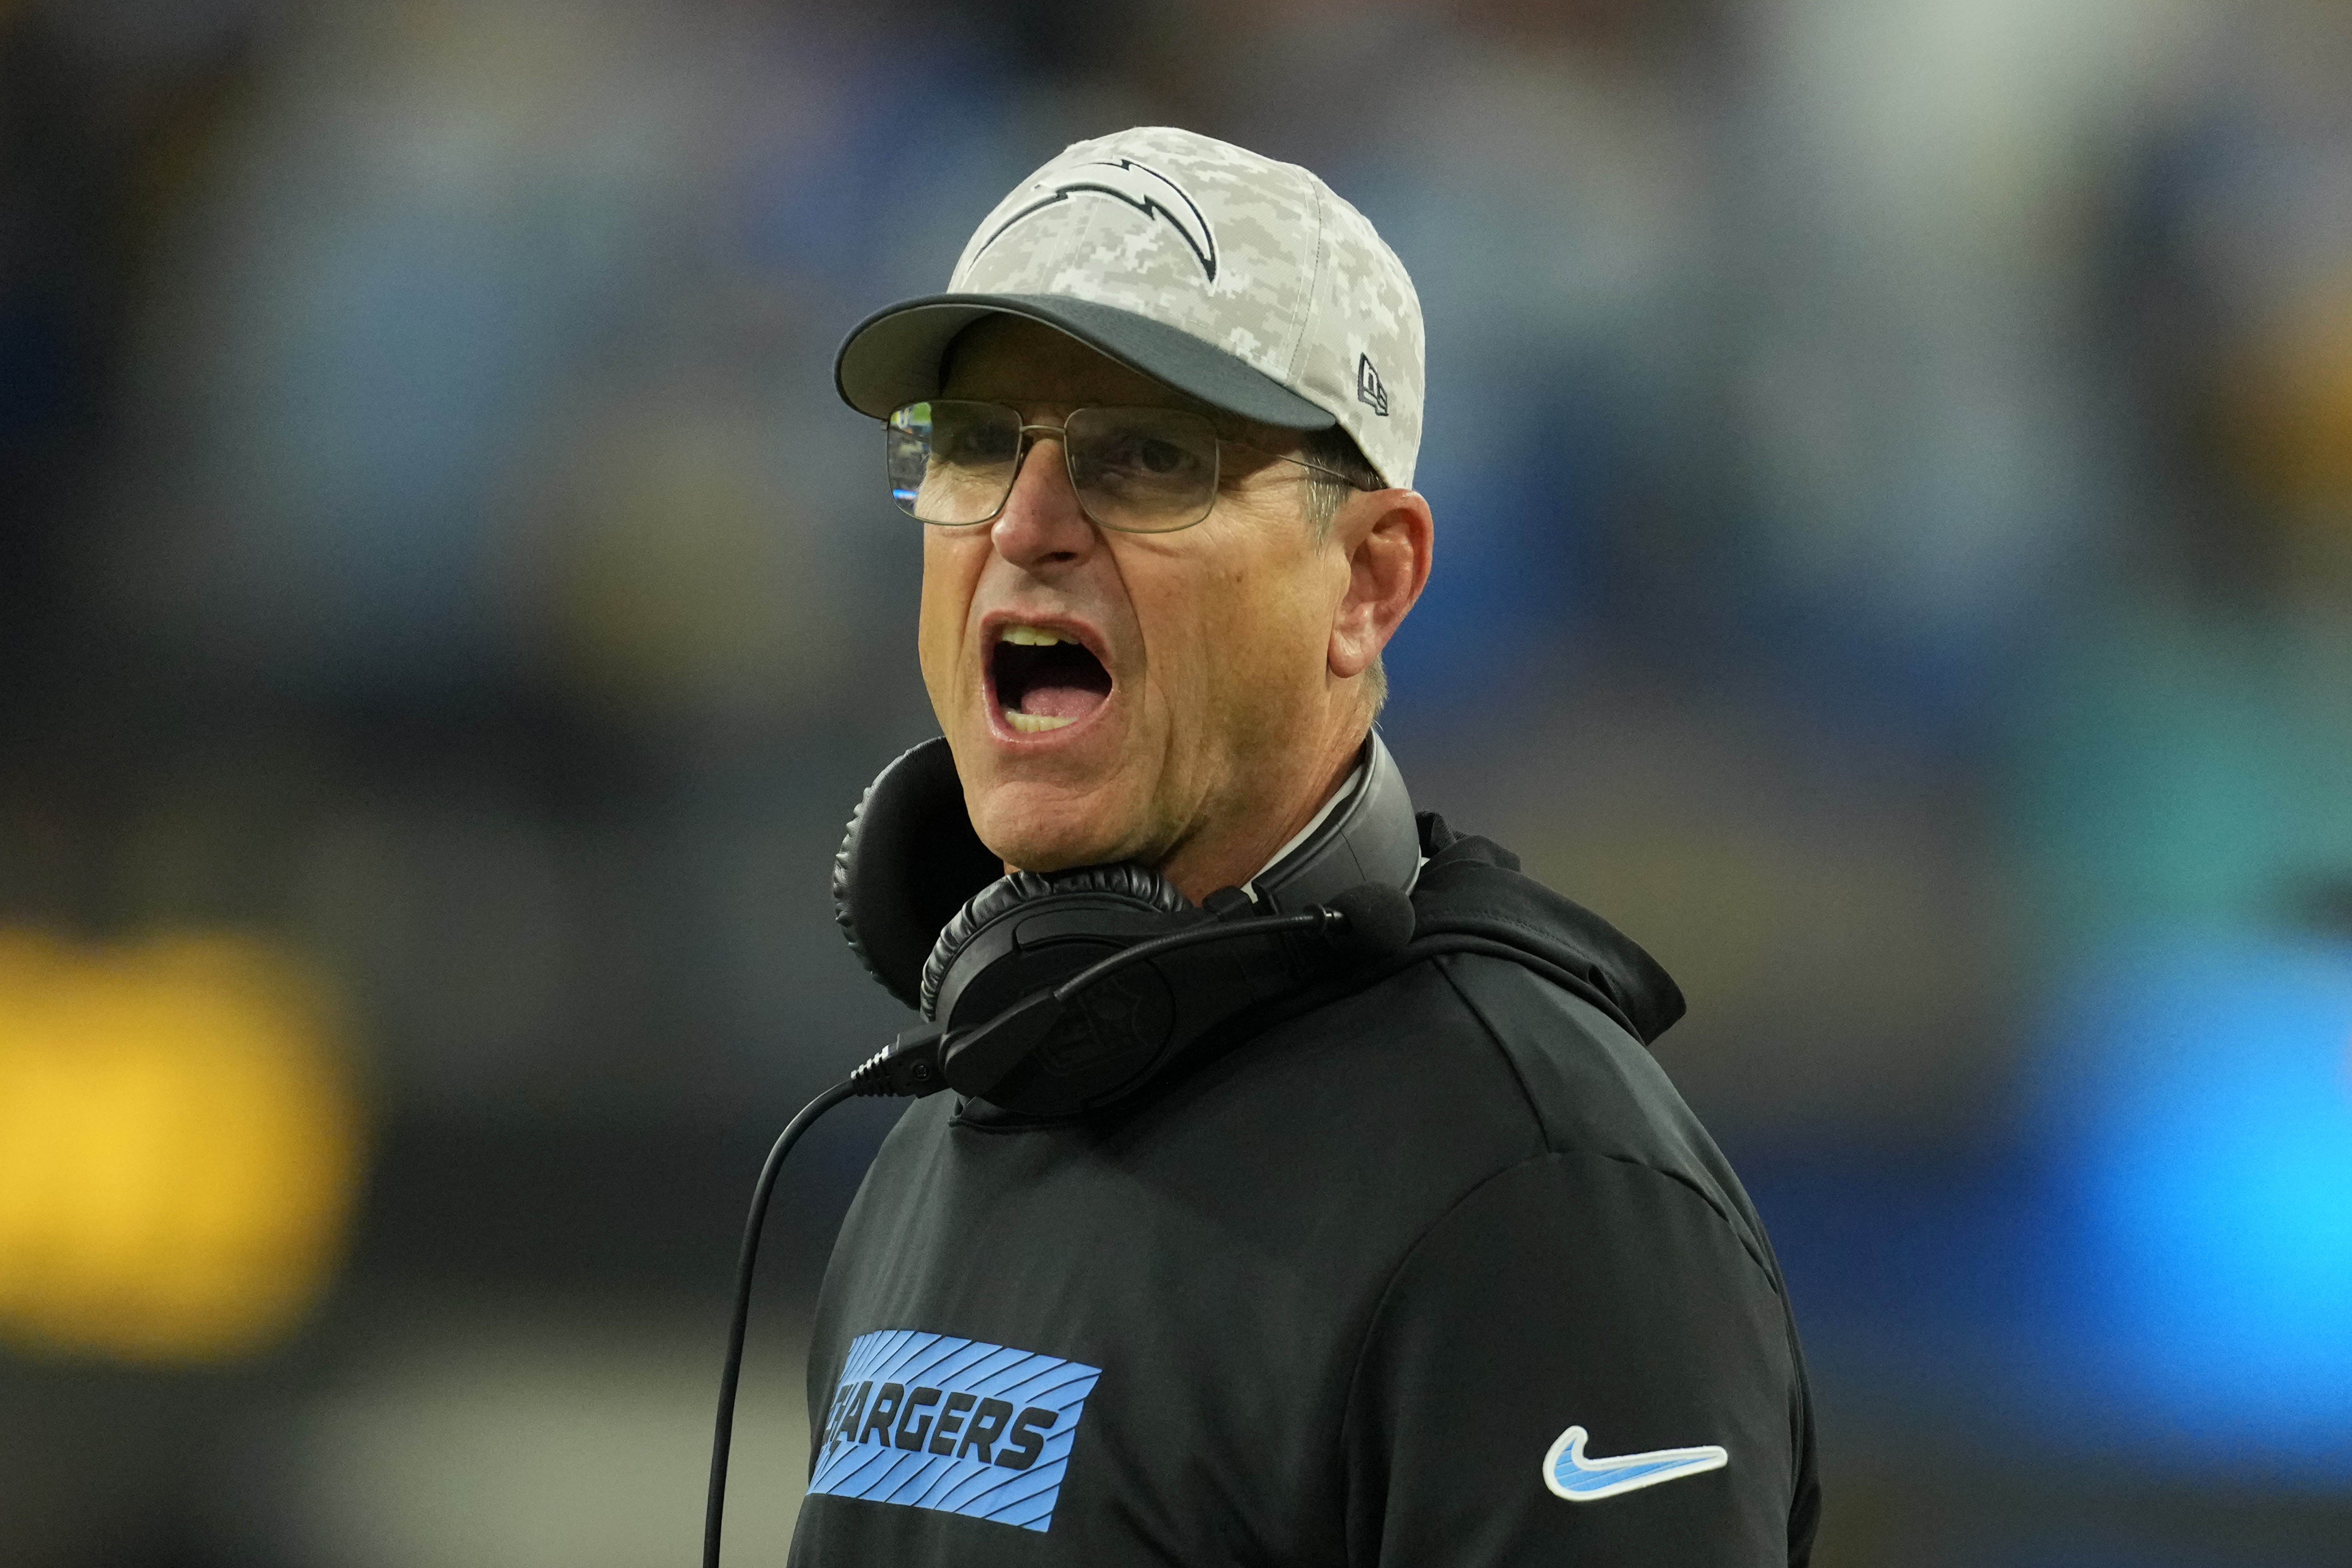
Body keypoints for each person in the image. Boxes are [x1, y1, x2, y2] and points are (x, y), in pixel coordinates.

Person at [791, 126, 1818, 1566]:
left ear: (1368, 582)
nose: (1025, 523)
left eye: (1145, 455)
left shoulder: (1539, 1199)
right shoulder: (951, 1124)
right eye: (971, 444)